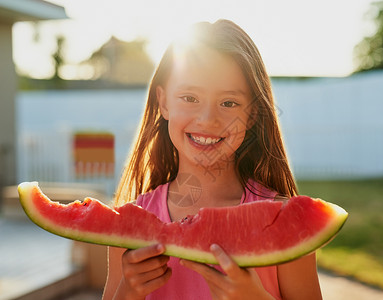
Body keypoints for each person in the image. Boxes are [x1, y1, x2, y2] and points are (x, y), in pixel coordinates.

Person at [102, 19, 322, 300]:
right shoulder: (128, 224)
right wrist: (127, 293)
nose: (208, 120)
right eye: (189, 97)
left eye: (229, 103)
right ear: (164, 102)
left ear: (252, 114)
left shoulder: (287, 226)